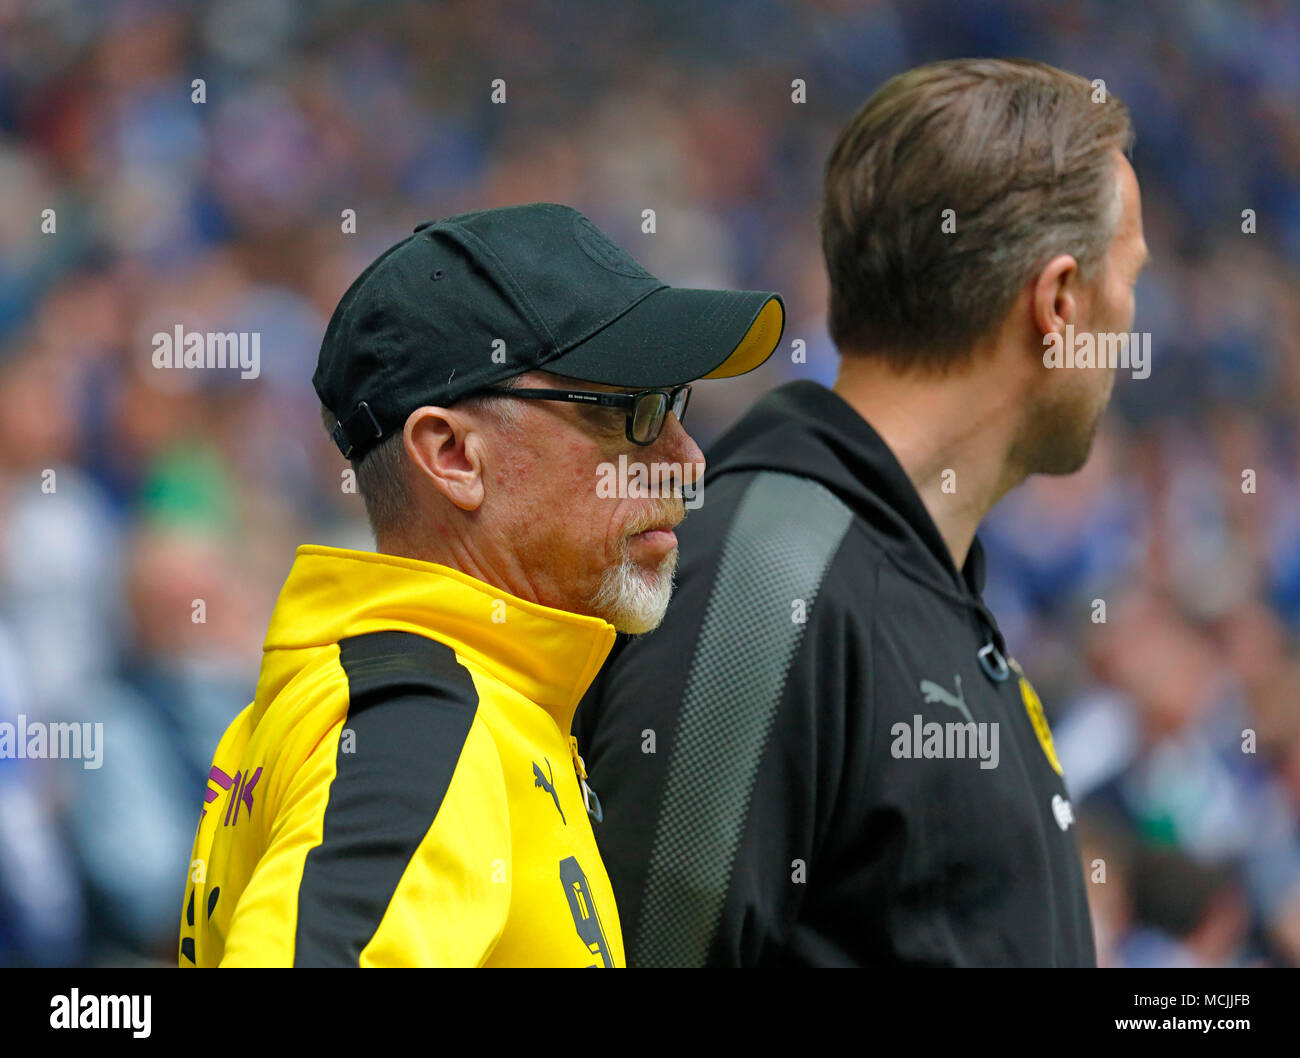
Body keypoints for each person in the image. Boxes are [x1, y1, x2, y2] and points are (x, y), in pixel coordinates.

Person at [574, 58, 1147, 966]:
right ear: (1060, 302)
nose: (1131, 331)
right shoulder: (771, 578)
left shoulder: (907, 576)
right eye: (1129, 285)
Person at [177, 202, 784, 967]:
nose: (688, 463)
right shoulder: (424, 728)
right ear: (454, 455)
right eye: (633, 410)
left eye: (676, 405)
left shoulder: (390, 700)